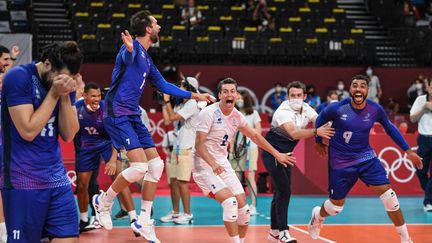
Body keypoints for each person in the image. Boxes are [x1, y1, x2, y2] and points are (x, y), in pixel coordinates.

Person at [91, 10, 214, 242]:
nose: (159, 26)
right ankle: (103, 201)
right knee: (139, 168)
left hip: (133, 114)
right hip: (117, 113)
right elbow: (128, 56)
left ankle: (144, 220)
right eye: (156, 24)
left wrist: (196, 96)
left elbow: (165, 85)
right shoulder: (132, 49)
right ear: (148, 29)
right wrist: (128, 48)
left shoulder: (147, 58)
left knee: (155, 166)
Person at [308, 74, 423, 243]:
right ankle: (318, 215)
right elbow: (319, 120)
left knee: (390, 197)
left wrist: (408, 150)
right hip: (340, 161)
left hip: (366, 158)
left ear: (367, 90)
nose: (358, 89)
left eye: (362, 86)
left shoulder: (375, 109)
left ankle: (406, 240)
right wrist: (318, 140)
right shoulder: (337, 108)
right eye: (355, 86)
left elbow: (390, 128)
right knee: (335, 207)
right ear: (350, 89)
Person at [193, 78, 296, 243]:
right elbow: (198, 145)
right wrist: (213, 164)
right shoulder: (208, 113)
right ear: (219, 95)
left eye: (232, 91)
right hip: (204, 165)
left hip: (222, 163)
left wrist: (277, 154)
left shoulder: (237, 116)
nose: (229, 94)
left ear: (237, 95)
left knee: (244, 210)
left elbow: (255, 136)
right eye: (225, 91)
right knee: (230, 203)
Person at [1, 41, 83, 242]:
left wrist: (64, 96)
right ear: (47, 64)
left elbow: (69, 134)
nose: (64, 82)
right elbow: (28, 130)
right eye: (60, 77)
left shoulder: (64, 85)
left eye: (69, 78)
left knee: (70, 238)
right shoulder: (19, 77)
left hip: (56, 177)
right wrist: (55, 93)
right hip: (22, 179)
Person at [262, 81, 335, 243]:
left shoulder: (307, 108)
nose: (295, 98)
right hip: (272, 153)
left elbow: (320, 122)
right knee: (285, 191)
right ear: (288, 97)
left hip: (287, 154)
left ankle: (274, 232)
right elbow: (294, 133)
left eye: (298, 95)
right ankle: (283, 232)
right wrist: (317, 132)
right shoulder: (283, 111)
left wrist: (324, 131)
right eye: (292, 96)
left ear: (304, 96)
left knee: (280, 192)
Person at [75, 82, 136, 233]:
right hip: (87, 145)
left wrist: (113, 160)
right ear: (84, 96)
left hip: (107, 143)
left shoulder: (106, 109)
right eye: (93, 96)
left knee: (119, 178)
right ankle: (83, 220)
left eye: (99, 96)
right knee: (82, 184)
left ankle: (134, 219)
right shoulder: (76, 108)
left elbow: (116, 136)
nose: (97, 99)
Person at [160, 76, 204, 224]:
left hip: (186, 148)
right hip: (176, 148)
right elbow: (167, 120)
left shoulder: (192, 104)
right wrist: (163, 103)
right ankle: (175, 212)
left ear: (190, 88)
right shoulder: (181, 105)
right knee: (173, 181)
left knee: (182, 182)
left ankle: (187, 213)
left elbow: (172, 117)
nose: (179, 88)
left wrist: (167, 101)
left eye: (182, 86)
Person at [229, 89, 262, 216]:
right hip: (236, 150)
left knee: (250, 177)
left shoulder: (254, 114)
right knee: (235, 178)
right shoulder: (233, 113)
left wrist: (248, 135)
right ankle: (239, 205)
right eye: (238, 98)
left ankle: (253, 205)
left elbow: (258, 131)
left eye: (241, 98)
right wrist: (231, 146)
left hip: (250, 149)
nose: (239, 101)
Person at [410, 78, 432, 212]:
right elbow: (412, 118)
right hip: (423, 139)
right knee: (420, 170)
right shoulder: (420, 100)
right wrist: (424, 108)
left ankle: (428, 201)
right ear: (428, 87)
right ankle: (430, 193)